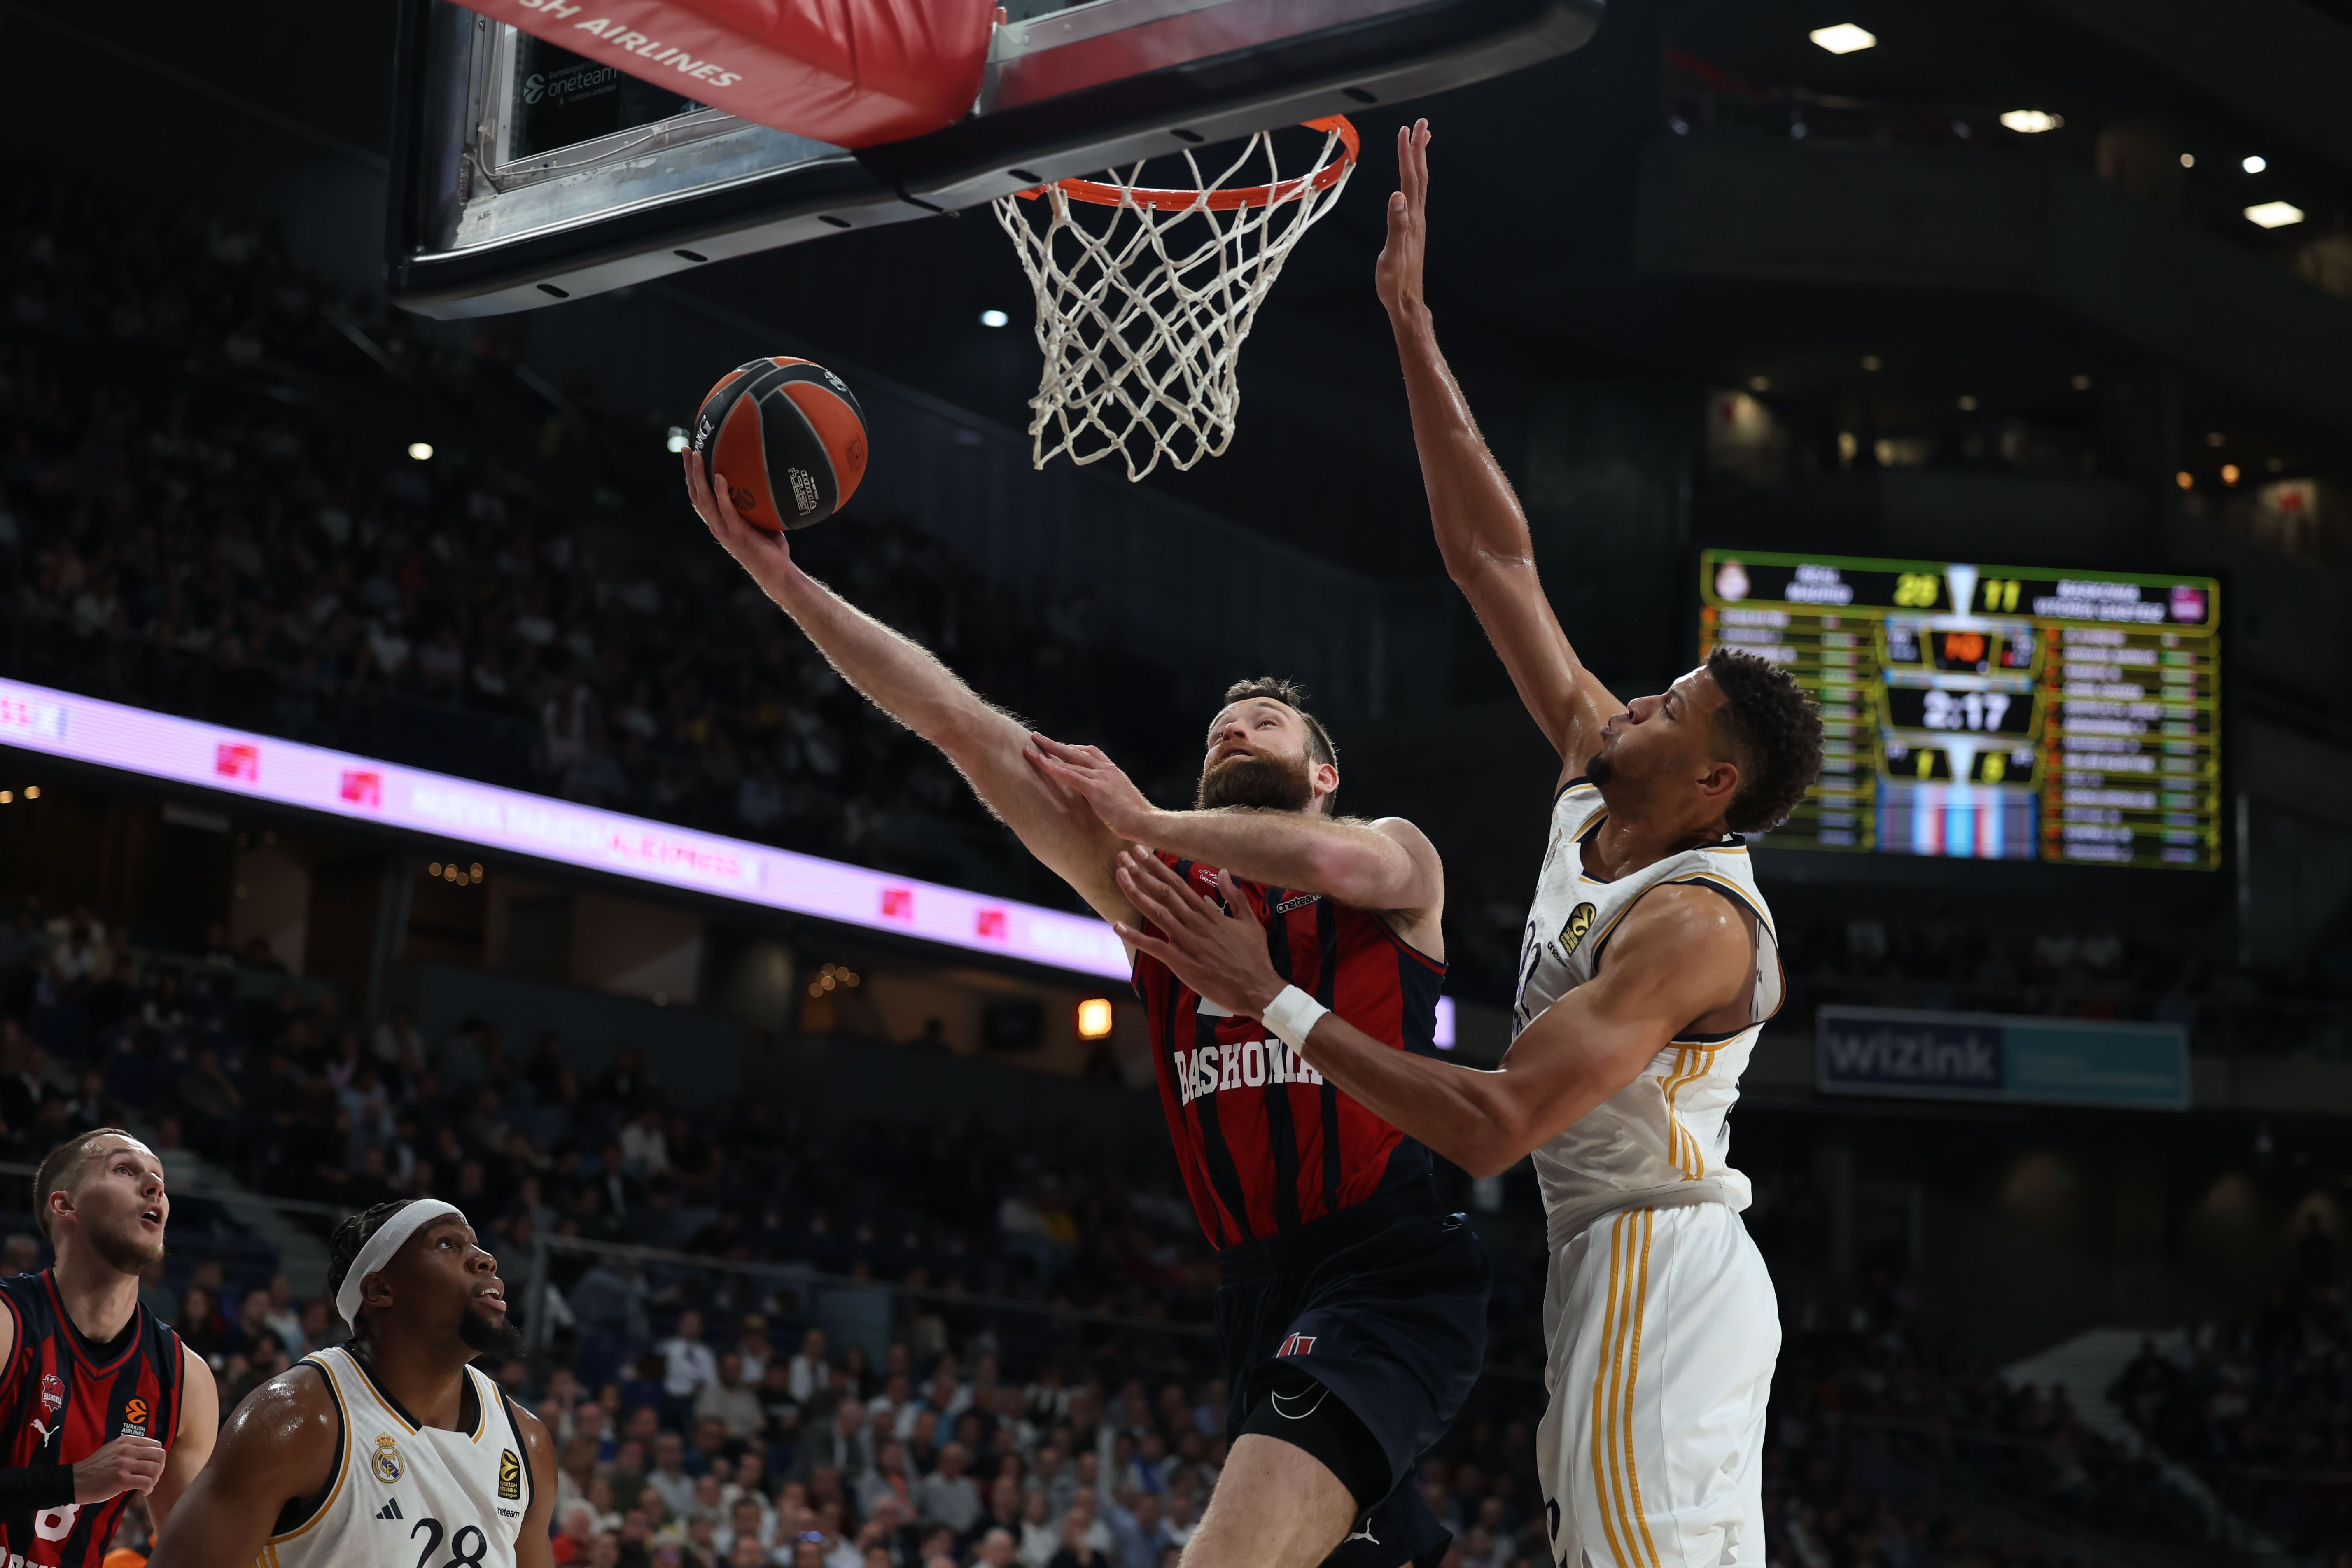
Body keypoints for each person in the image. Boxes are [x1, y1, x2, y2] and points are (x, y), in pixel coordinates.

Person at [1111, 119, 1823, 1568]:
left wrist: (1278, 999)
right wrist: (1412, 324)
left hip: (1661, 1255)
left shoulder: (1697, 921)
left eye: (1673, 701)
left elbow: (1497, 1123)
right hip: (1597, 1262)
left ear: (1715, 779)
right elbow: (1492, 558)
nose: (1636, 692)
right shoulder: (1599, 779)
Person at [688, 436, 1492, 1568]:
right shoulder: (1155, 893)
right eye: (1225, 719)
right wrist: (784, 582)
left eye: (1269, 720)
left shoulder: (1390, 854)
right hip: (1257, 1293)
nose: (1237, 722)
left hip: (1389, 1267)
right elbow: (958, 722)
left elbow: (1352, 871)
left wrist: (1150, 819)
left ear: (1325, 778)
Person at [146, 1199, 557, 1567]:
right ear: (379, 1289)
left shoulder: (527, 1442)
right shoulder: (295, 1420)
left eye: (477, 1244)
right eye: (448, 1244)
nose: (485, 1259)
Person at [0, 1130, 219, 1566]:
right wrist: (71, 1481)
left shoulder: (184, 1379)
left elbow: (193, 1558)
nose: (155, 1186)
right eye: (124, 1169)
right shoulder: (7, 1323)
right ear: (65, 1205)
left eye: (159, 1178)